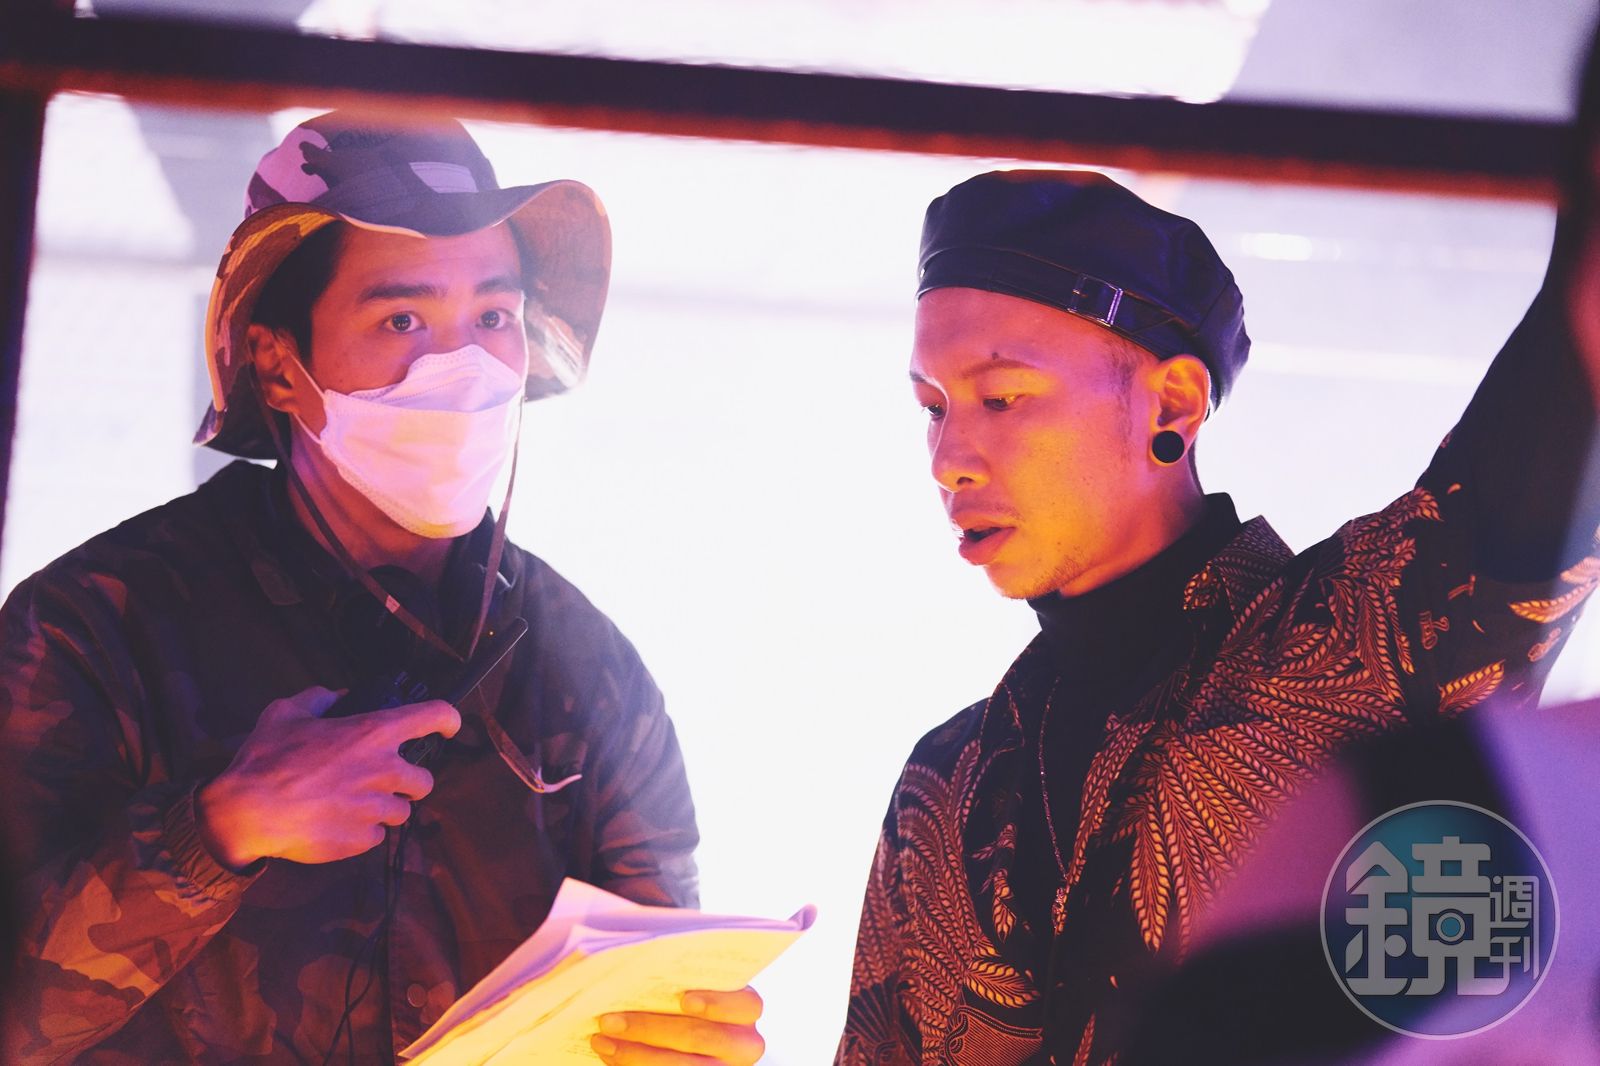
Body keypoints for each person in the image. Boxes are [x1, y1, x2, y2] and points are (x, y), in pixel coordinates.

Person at [0, 112, 764, 1065]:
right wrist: (216, 829)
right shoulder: (93, 629)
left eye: (494, 318)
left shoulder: (588, 673)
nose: (461, 366)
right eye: (402, 320)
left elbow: (653, 989)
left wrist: (684, 1035)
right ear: (277, 364)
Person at [836, 128, 1600, 1063]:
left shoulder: (1352, 643)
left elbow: (1547, 435)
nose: (949, 458)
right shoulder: (942, 789)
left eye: (1001, 398)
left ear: (1173, 404)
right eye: (932, 408)